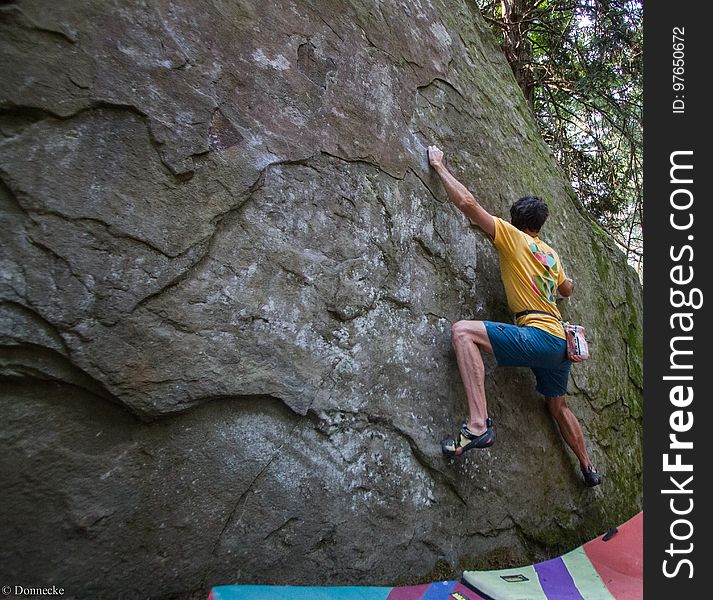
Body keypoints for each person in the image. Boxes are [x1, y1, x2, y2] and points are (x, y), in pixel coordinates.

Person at [427, 144, 601, 487]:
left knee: (463, 332)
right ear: (541, 224)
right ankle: (588, 467)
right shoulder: (550, 254)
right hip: (559, 346)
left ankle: (478, 425)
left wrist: (439, 165)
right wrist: (563, 282)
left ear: (515, 219)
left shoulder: (510, 236)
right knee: (557, 407)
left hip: (538, 335)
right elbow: (567, 288)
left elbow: (468, 204)